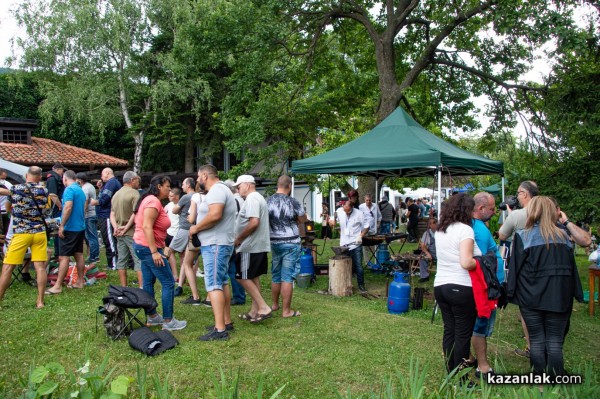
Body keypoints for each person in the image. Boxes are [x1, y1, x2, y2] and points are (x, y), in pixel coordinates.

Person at [507, 196, 583, 380]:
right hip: (559, 297)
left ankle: (540, 382)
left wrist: (510, 292)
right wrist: (576, 293)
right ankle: (556, 383)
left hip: (531, 297)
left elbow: (515, 267)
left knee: (537, 341)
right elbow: (571, 269)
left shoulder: (523, 236)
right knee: (555, 343)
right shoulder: (565, 238)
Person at [433, 193, 480, 375]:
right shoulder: (465, 230)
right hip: (461, 286)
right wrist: (482, 262)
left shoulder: (440, 229)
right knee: (462, 334)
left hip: (441, 285)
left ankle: (451, 371)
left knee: (449, 330)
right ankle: (460, 376)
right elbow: (466, 262)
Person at [189, 164, 237, 341]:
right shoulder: (222, 189)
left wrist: (195, 228)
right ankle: (226, 321)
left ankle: (219, 330)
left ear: (204, 176)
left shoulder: (216, 189)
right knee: (223, 281)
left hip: (215, 244)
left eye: (198, 177)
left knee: (214, 283)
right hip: (220, 243)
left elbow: (215, 215)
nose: (197, 181)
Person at [133, 175, 186, 331]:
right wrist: (155, 251)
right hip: (148, 248)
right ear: (159, 187)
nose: (169, 189)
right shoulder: (153, 202)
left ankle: (153, 316)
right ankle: (168, 321)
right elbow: (147, 227)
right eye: (167, 186)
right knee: (169, 282)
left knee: (148, 281)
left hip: (142, 246)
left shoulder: (149, 200)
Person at [0, 166, 49, 308]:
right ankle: (40, 301)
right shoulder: (44, 190)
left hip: (21, 232)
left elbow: (8, 207)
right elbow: (44, 207)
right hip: (39, 232)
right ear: (40, 177)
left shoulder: (16, 189)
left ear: (27, 175)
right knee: (40, 267)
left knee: (8, 267)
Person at [469, 192, 505, 378]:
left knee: (480, 325)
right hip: (485, 286)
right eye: (491, 209)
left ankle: (471, 358)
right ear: (480, 209)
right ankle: (482, 366)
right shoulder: (479, 230)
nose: (494, 212)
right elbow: (481, 261)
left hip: (489, 284)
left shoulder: (478, 227)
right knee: (480, 325)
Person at [232, 175, 272, 323]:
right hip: (257, 245)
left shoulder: (252, 199)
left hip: (250, 246)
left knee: (241, 277)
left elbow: (254, 222)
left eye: (239, 186)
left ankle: (263, 307)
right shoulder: (257, 197)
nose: (237, 189)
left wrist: (239, 239)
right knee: (253, 277)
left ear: (247, 185)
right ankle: (254, 311)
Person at [267, 175, 307, 318]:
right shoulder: (293, 202)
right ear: (289, 186)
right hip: (291, 243)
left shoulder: (268, 201)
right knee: (287, 277)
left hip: (274, 242)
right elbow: (303, 219)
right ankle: (286, 311)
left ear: (278, 185)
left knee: (276, 274)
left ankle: (275, 305)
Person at [45, 170, 87, 294]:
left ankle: (57, 286)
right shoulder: (80, 190)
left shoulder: (69, 190)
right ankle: (80, 281)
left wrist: (62, 225)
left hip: (70, 228)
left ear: (65, 179)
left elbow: (68, 207)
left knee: (63, 257)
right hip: (80, 227)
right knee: (78, 254)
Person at [171, 178, 203, 305]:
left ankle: (176, 279)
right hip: (199, 232)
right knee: (188, 259)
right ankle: (181, 285)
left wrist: (183, 213)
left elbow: (179, 212)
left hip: (187, 229)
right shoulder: (202, 197)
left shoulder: (188, 197)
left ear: (189, 185)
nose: (182, 186)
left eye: (183, 184)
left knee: (169, 251)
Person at [110, 171, 142, 287]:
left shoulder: (116, 194)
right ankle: (141, 287)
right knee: (138, 260)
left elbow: (112, 213)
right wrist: (126, 228)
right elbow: (135, 213)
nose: (139, 182)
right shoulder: (135, 194)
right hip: (131, 232)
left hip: (119, 231)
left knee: (121, 260)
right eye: (137, 180)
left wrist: (116, 227)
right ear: (132, 180)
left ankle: (124, 287)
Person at [331, 200, 369, 292]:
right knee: (345, 265)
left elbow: (367, 226)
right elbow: (335, 213)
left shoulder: (359, 214)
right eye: (345, 210)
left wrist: (361, 236)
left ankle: (361, 285)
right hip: (344, 243)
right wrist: (333, 219)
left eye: (348, 211)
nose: (346, 213)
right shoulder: (340, 210)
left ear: (352, 208)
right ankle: (345, 284)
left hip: (356, 243)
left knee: (358, 266)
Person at [91, 168, 121, 270]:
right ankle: (112, 262)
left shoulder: (111, 183)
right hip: (105, 215)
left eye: (102, 174)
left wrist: (95, 202)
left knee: (110, 240)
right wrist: (101, 188)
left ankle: (113, 264)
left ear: (108, 173)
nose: (101, 177)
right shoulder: (110, 183)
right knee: (108, 240)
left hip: (107, 215)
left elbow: (104, 199)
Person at [223, 179, 246, 306]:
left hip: (234, 238)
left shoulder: (233, 201)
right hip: (240, 238)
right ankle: (239, 294)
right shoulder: (241, 200)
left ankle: (238, 296)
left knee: (232, 269)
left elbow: (235, 222)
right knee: (236, 268)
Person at [75, 172, 99, 264]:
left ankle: (94, 257)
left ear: (80, 180)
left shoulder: (85, 189)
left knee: (91, 237)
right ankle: (94, 256)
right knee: (92, 236)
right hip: (92, 214)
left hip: (89, 215)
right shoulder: (90, 186)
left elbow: (85, 202)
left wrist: (82, 215)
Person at [165, 187, 183, 296]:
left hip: (178, 233)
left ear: (176, 196)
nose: (169, 197)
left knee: (182, 255)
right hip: (169, 232)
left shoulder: (181, 204)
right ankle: (175, 275)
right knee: (170, 253)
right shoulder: (168, 205)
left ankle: (180, 276)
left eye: (171, 196)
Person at [46, 163, 65, 257]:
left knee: (58, 230)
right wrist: (60, 206)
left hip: (56, 209)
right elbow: (52, 195)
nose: (63, 173)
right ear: (58, 169)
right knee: (58, 230)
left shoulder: (53, 178)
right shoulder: (53, 179)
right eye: (62, 170)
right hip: (57, 209)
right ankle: (58, 253)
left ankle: (59, 252)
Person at [359, 194, 381, 266]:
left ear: (371, 200)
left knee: (375, 244)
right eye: (367, 200)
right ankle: (367, 262)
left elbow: (379, 216)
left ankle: (376, 260)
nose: (368, 201)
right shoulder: (361, 207)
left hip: (374, 228)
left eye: (369, 200)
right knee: (365, 245)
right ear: (364, 200)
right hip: (365, 229)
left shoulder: (375, 206)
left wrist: (378, 224)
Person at [417, 218, 436, 282]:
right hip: (432, 253)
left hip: (441, 253)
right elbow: (422, 245)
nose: (436, 224)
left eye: (435, 222)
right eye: (433, 223)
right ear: (429, 225)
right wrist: (428, 253)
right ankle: (425, 276)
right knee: (422, 258)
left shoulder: (441, 232)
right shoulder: (427, 233)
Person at [0, 168, 13, 235]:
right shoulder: (10, 185)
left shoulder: (8, 185)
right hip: (7, 212)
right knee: (6, 232)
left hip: (5, 212)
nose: (2, 180)